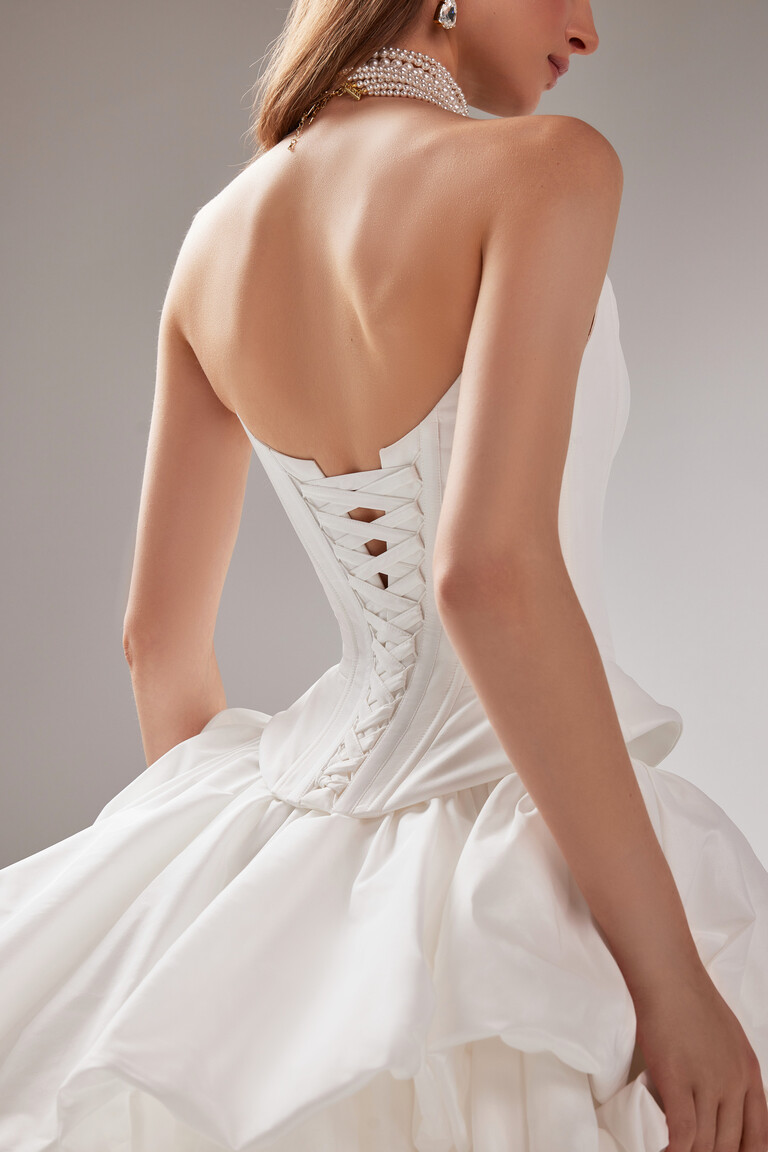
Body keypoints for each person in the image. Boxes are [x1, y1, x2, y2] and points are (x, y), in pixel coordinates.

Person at [0, 0, 766, 1149]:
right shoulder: (549, 170)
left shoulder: (214, 238)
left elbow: (156, 646)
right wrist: (668, 986)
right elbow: (486, 574)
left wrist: (243, 930)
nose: (590, 29)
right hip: (530, 882)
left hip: (297, 832)